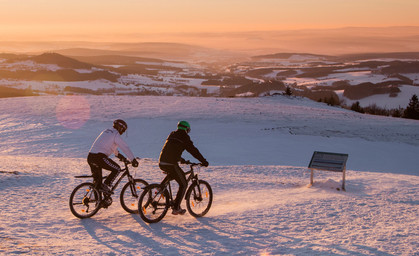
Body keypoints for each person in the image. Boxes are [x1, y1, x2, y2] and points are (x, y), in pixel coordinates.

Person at [158, 120, 209, 215]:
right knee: (184, 184)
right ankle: (176, 208)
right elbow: (193, 151)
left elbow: (171, 150)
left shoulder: (172, 134)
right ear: (186, 129)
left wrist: (181, 159)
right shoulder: (184, 137)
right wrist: (203, 161)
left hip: (162, 162)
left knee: (175, 174)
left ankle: (160, 188)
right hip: (171, 163)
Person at [87, 119, 139, 195]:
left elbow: (110, 145)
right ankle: (106, 186)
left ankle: (98, 202)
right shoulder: (115, 134)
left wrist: (119, 155)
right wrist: (133, 159)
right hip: (99, 157)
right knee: (117, 169)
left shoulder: (106, 131)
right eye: (123, 130)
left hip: (90, 157)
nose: (122, 132)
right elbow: (125, 147)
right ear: (120, 128)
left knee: (97, 182)